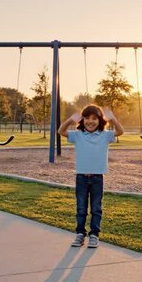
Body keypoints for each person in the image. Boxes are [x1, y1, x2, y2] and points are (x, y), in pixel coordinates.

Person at [58, 104, 124, 248]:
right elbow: (60, 131)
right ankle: (80, 234)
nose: (90, 121)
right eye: (87, 118)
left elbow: (120, 131)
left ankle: (94, 235)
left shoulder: (105, 135)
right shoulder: (78, 135)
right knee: (81, 208)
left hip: (97, 178)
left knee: (96, 208)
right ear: (82, 120)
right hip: (81, 177)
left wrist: (112, 119)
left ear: (100, 120)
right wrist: (70, 119)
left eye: (94, 118)